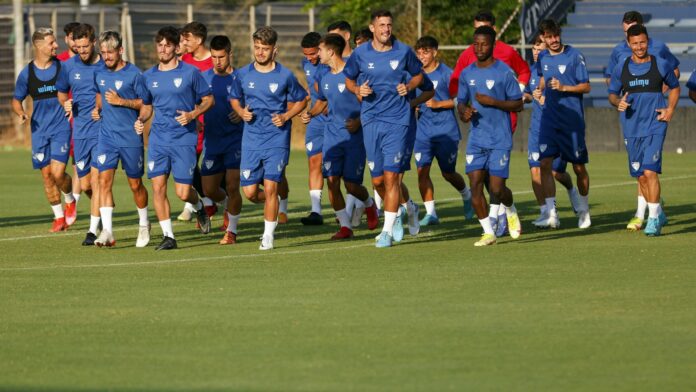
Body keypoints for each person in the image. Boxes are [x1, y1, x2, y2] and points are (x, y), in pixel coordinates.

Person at [344, 9, 424, 248]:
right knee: (378, 180)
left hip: (398, 121)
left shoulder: (403, 51)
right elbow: (349, 79)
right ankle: (405, 208)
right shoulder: (360, 54)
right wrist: (358, 90)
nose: (386, 29)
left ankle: (387, 230)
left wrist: (408, 85)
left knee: (391, 177)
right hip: (371, 120)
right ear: (372, 28)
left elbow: (419, 76)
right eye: (381, 25)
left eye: (389, 25)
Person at [448, 10, 530, 235]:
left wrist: (492, 102)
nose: (478, 49)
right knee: (475, 184)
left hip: (500, 138)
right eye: (475, 44)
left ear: (493, 45)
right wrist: (464, 112)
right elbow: (461, 102)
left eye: (483, 45)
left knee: (497, 188)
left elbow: (518, 104)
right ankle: (488, 232)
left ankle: (511, 209)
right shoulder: (467, 73)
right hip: (476, 138)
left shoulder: (504, 72)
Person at [230, 26, 308, 250]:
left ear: (275, 50)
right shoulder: (243, 74)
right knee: (251, 192)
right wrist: (241, 111)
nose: (260, 52)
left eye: (265, 48)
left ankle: (268, 236)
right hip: (251, 139)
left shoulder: (285, 75)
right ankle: (278, 204)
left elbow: (302, 99)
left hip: (276, 139)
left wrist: (286, 116)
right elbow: (234, 98)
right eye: (257, 48)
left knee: (271, 187)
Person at [137, 26, 214, 250]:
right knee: (158, 187)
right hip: (159, 140)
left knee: (182, 192)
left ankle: (198, 205)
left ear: (176, 47)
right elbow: (147, 106)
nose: (163, 49)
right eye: (159, 45)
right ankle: (168, 236)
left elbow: (209, 100)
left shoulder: (190, 73)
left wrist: (193, 114)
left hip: (184, 139)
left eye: (167, 45)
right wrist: (141, 119)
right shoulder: (148, 76)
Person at [604, 11, 681, 231]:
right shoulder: (622, 67)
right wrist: (617, 101)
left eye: (643, 43)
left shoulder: (660, 64)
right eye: (635, 43)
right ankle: (659, 213)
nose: (640, 47)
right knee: (641, 177)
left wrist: (670, 109)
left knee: (650, 171)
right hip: (631, 127)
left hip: (655, 124)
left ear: (648, 42)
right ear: (628, 44)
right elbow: (611, 93)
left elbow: (675, 86)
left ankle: (653, 220)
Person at [301, 33, 379, 239]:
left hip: (354, 139)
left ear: (331, 51)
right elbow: (321, 102)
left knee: (352, 185)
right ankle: (346, 227)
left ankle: (370, 204)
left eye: (321, 50)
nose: (319, 54)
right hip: (332, 138)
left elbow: (371, 105)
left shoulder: (354, 75)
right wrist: (309, 113)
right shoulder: (324, 77)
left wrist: (359, 122)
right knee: (332, 181)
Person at [90, 30, 151, 247]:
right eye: (103, 52)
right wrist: (97, 109)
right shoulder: (99, 72)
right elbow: (99, 94)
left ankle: (144, 225)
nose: (106, 57)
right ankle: (107, 231)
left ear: (121, 50)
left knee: (135, 185)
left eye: (110, 52)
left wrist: (121, 102)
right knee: (103, 181)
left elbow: (146, 104)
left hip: (130, 138)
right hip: (106, 137)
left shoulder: (135, 74)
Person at [12, 27, 74, 232]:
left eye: (56, 41)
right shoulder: (27, 73)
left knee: (58, 174)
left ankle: (70, 198)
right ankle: (58, 218)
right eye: (51, 43)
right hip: (39, 131)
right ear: (39, 46)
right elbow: (16, 100)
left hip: (61, 128)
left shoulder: (63, 68)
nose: (56, 45)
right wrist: (20, 113)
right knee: (46, 175)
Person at [535, 19, 592, 229]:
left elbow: (586, 87)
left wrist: (564, 88)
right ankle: (552, 214)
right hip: (550, 119)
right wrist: (539, 89)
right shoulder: (542, 56)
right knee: (545, 164)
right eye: (549, 37)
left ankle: (584, 210)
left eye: (556, 35)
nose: (554, 40)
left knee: (578, 167)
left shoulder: (574, 55)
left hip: (571, 121)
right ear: (542, 38)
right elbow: (542, 76)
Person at [413, 35, 473, 226]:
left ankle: (467, 195)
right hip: (422, 132)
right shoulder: (414, 75)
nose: (422, 56)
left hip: (446, 131)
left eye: (426, 52)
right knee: (422, 171)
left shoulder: (448, 74)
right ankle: (431, 213)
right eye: (419, 53)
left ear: (435, 52)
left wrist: (439, 104)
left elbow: (460, 100)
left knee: (448, 173)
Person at [523, 34, 580, 226]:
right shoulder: (533, 71)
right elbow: (531, 93)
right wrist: (527, 97)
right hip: (536, 128)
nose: (537, 52)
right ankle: (546, 213)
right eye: (534, 48)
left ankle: (571, 189)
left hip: (556, 126)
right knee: (535, 170)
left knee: (555, 172)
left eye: (540, 49)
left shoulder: (555, 68)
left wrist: (549, 100)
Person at [57, 23, 104, 246]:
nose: (82, 51)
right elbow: (61, 93)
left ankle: (93, 230)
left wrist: (102, 107)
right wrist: (66, 102)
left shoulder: (105, 65)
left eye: (86, 46)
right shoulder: (68, 66)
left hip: (102, 131)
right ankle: (104, 213)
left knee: (97, 180)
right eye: (79, 47)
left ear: (94, 42)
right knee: (85, 186)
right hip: (80, 132)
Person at [200, 35, 245, 245]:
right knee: (209, 189)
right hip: (212, 141)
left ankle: (232, 232)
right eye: (214, 57)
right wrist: (194, 118)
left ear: (230, 55)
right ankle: (226, 203)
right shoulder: (203, 77)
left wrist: (243, 111)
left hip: (236, 140)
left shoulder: (241, 78)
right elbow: (194, 102)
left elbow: (257, 100)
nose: (217, 61)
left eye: (221, 57)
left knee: (233, 185)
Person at [177, 21, 219, 223]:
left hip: (215, 122)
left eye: (187, 39)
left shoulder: (216, 61)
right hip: (191, 123)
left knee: (219, 170)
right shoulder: (183, 60)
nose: (183, 42)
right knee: (189, 163)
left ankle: (218, 201)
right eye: (182, 39)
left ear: (199, 40)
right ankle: (203, 201)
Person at [299, 32, 327, 226]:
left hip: (335, 120)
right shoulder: (306, 63)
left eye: (313, 53)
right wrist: (304, 101)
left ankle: (354, 206)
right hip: (315, 120)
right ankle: (316, 211)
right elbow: (313, 88)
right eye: (306, 54)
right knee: (314, 162)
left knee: (336, 169)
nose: (310, 58)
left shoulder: (332, 63)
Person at [57, 22, 82, 220]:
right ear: (66, 39)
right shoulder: (60, 62)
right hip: (61, 122)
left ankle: (74, 203)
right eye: (72, 38)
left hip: (81, 120)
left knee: (77, 164)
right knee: (55, 170)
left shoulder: (89, 60)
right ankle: (71, 200)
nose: (75, 42)